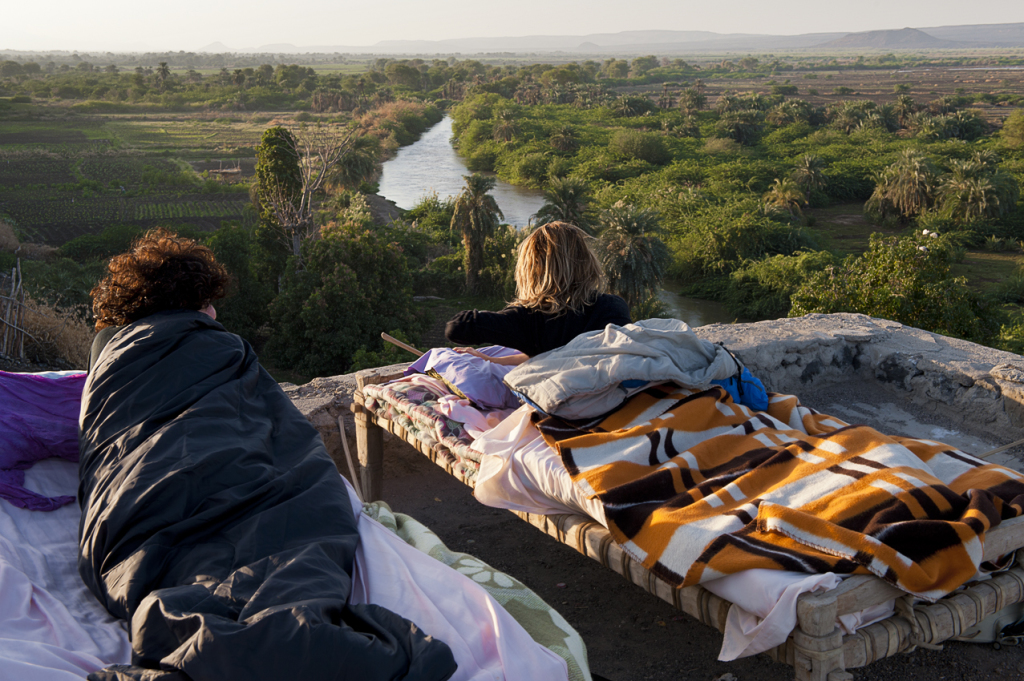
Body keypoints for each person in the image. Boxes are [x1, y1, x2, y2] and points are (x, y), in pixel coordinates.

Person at [445, 221, 630, 365]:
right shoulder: (612, 307)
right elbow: (567, 357)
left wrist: (505, 319)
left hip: (558, 405)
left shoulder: (529, 320)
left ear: (530, 271)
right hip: (612, 406)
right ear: (587, 263)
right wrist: (493, 360)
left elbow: (457, 327)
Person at [88, 228, 228, 370]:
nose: (213, 313)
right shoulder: (209, 353)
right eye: (205, 304)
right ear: (176, 310)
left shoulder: (104, 344)